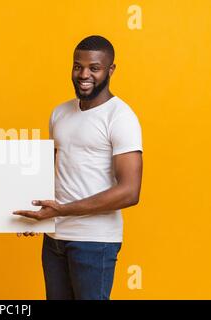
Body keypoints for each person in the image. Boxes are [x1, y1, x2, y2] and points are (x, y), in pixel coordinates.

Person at [14, 35, 143, 300]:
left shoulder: (121, 118)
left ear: (111, 70)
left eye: (94, 68)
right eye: (77, 66)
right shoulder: (59, 113)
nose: (84, 74)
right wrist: (35, 213)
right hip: (54, 238)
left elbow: (130, 192)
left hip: (95, 241)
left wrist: (62, 210)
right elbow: (48, 172)